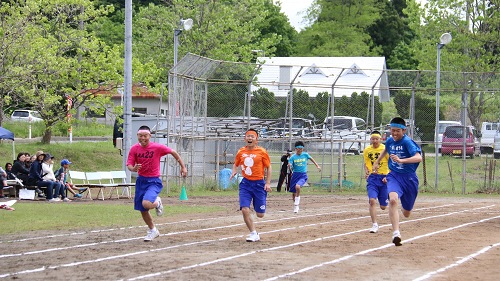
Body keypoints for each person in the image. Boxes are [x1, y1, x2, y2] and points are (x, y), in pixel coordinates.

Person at [127, 126, 187, 242]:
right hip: (141, 181)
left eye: (145, 135)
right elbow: (129, 165)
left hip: (153, 181)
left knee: (146, 204)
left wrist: (183, 167)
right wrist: (133, 169)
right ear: (137, 136)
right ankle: (153, 230)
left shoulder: (157, 147)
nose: (143, 138)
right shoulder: (134, 149)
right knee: (143, 209)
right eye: (140, 135)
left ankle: (158, 202)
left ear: (149, 136)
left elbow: (173, 152)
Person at [373, 117, 422, 246]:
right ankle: (396, 233)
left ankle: (404, 208)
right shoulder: (389, 141)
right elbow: (385, 150)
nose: (394, 133)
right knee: (393, 200)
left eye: (398, 131)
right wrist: (377, 162)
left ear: (404, 130)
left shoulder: (407, 142)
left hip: (409, 178)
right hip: (394, 176)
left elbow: (418, 158)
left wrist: (401, 160)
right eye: (392, 130)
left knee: (406, 213)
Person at [229, 129, 272, 242]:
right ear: (245, 139)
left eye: (252, 136)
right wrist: (234, 171)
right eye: (248, 136)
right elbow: (235, 164)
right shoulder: (241, 152)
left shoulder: (262, 151)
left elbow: (269, 167)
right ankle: (254, 233)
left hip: (259, 184)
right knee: (244, 209)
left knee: (260, 215)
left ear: (256, 140)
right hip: (246, 184)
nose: (250, 138)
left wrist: (267, 183)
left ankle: (259, 204)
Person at [363, 130, 389, 233]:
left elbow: (391, 164)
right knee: (372, 200)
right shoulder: (367, 150)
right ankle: (374, 224)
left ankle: (389, 195)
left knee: (383, 207)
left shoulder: (385, 149)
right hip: (373, 178)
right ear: (370, 140)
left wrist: (389, 176)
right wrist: (366, 172)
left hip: (384, 179)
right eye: (373, 139)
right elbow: (366, 163)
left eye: (377, 139)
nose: (375, 141)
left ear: (381, 139)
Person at [288, 140, 321, 213]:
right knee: (294, 193)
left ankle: (297, 203)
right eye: (298, 148)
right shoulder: (293, 157)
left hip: (303, 175)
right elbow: (290, 167)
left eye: (301, 149)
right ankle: (296, 205)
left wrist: (317, 166)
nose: (300, 150)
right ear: (296, 149)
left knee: (297, 186)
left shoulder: (305, 155)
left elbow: (311, 159)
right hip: (295, 175)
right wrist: (290, 167)